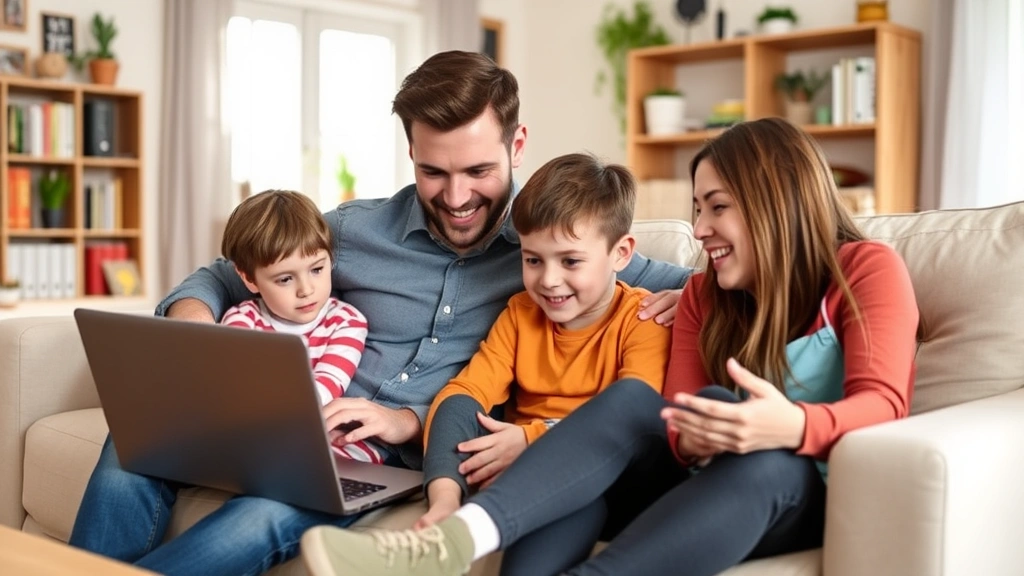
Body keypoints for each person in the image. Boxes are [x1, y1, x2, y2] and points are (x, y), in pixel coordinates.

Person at [68, 50, 692, 576]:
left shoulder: (552, 244)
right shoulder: (353, 230)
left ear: (517, 145)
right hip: (285, 425)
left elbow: (709, 283)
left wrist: (692, 298)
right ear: (410, 152)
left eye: (478, 170)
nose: (456, 197)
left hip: (379, 459)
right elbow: (224, 273)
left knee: (260, 519)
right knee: (131, 443)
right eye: (433, 171)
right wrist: (196, 326)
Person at [299, 117, 920, 576]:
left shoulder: (864, 269)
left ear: (774, 204)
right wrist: (702, 430)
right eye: (698, 208)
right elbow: (670, 420)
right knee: (638, 410)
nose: (700, 229)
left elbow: (885, 405)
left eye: (718, 208)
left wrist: (787, 426)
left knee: (768, 461)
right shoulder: (702, 294)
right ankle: (447, 544)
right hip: (691, 483)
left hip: (795, 492)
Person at [416, 152, 673, 530]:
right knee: (458, 405)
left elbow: (629, 420)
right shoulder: (521, 314)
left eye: (570, 261)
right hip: (532, 490)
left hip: (611, 482)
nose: (549, 280)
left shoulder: (644, 319)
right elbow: (464, 395)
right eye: (533, 260)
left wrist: (531, 439)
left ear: (620, 254)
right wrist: (444, 499)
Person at [219, 189, 379, 462]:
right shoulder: (241, 321)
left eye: (317, 269)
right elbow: (240, 393)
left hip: (332, 441)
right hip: (262, 437)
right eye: (285, 279)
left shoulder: (346, 322)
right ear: (248, 279)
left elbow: (324, 390)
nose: (306, 290)